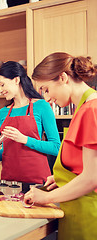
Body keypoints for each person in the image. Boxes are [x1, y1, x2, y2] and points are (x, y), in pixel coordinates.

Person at [24, 52, 97, 239]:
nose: (46, 98)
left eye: (46, 89)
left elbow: (92, 178)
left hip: (88, 215)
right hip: (77, 209)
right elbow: (84, 166)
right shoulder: (83, 108)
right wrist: (64, 178)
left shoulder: (91, 109)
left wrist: (46, 198)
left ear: (63, 78)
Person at [0, 61, 61, 184]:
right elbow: (7, 149)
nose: (0, 90)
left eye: (2, 84)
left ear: (16, 80)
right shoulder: (3, 113)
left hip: (36, 179)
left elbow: (56, 148)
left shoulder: (42, 106)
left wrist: (25, 139)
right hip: (9, 179)